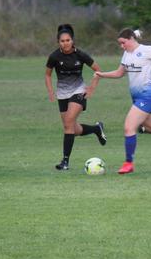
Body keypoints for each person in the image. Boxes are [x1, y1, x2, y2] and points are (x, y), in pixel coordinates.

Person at [94, 28, 151, 174]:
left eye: (123, 43)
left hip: (148, 95)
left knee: (129, 127)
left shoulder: (147, 50)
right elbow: (119, 73)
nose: (122, 46)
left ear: (131, 38)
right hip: (137, 97)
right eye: (120, 44)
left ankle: (128, 163)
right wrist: (102, 74)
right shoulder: (126, 54)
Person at [45, 24, 107, 171]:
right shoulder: (54, 56)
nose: (65, 43)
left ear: (72, 41)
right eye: (62, 41)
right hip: (62, 94)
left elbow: (98, 70)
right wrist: (50, 91)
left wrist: (91, 88)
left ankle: (65, 162)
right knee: (72, 128)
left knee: (68, 123)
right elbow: (47, 74)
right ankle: (96, 129)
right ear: (58, 42)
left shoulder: (81, 55)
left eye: (68, 40)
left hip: (79, 91)